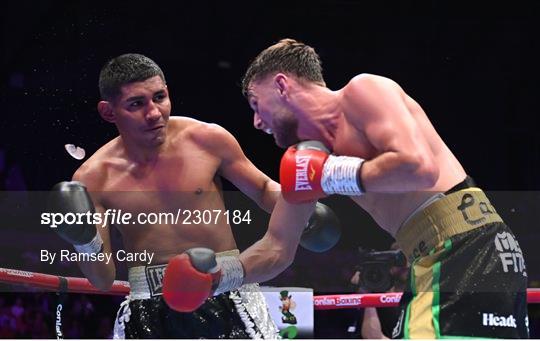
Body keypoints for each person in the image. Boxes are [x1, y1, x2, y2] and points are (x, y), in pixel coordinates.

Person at [236, 38, 529, 338]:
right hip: (439, 257)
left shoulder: (363, 91)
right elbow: (277, 247)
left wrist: (330, 174)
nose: (257, 122)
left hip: (465, 247)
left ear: (282, 85)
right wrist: (217, 278)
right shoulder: (306, 162)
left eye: (256, 104)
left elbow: (419, 167)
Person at [49, 53, 336, 338]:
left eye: (159, 97)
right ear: (108, 112)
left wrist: (299, 209)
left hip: (226, 287)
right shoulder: (94, 177)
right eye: (136, 104)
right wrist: (85, 241)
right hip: (149, 305)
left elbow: (262, 189)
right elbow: (103, 280)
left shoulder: (207, 139)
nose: (153, 113)